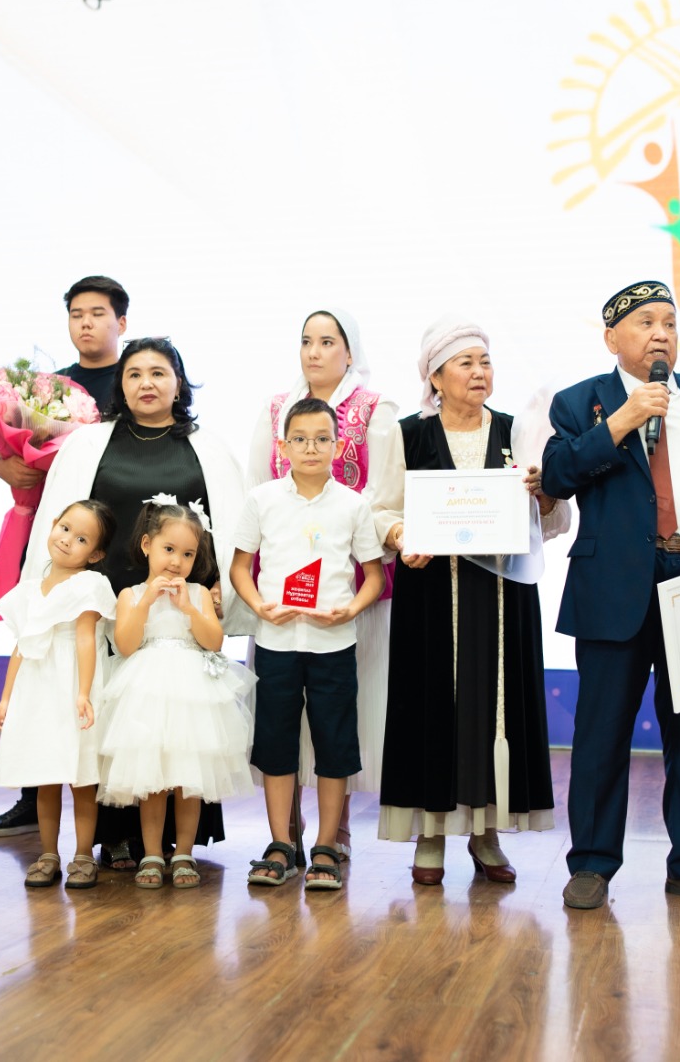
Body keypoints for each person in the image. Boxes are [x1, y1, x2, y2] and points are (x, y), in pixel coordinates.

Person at [541, 280, 680, 911]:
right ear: (612, 338)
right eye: (645, 323)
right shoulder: (580, 402)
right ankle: (592, 864)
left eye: (669, 322)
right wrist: (623, 420)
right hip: (613, 587)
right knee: (601, 734)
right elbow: (556, 476)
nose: (661, 333)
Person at [23, 336, 253, 867]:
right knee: (118, 715)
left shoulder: (208, 447)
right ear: (120, 385)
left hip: (181, 603)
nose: (146, 383)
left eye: (158, 373)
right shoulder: (88, 443)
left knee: (177, 719)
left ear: (179, 383)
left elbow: (230, 526)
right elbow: (59, 522)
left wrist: (220, 585)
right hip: (105, 600)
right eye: (134, 374)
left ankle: (178, 843)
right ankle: (117, 835)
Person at [375, 317, 568, 886]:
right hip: (429, 592)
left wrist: (544, 493)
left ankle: (487, 833)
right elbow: (380, 509)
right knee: (431, 706)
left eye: (485, 361)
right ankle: (431, 834)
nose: (480, 372)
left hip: (502, 594)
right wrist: (401, 536)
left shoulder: (516, 433)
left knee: (496, 709)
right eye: (466, 363)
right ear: (435, 377)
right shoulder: (408, 434)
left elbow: (554, 518)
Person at [244, 308, 401, 860]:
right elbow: (256, 490)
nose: (314, 351)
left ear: (350, 350)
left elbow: (384, 495)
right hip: (280, 596)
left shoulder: (377, 409)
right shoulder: (275, 409)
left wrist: (352, 539)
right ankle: (284, 832)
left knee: (340, 719)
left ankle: (336, 833)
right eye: (306, 340)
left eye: (328, 341)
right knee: (279, 719)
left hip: (346, 589)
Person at [0, 275, 129, 839]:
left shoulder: (132, 379)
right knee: (39, 651)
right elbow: (13, 450)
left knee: (94, 659)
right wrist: (5, 464)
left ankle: (109, 808)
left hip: (109, 530)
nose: (86, 323)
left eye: (98, 313)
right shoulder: (50, 389)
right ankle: (31, 796)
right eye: (76, 314)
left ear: (121, 321)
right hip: (56, 528)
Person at [232, 398, 386, 890]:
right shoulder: (262, 500)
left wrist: (351, 609)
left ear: (338, 447)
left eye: (322, 439)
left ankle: (325, 848)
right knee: (275, 744)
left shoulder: (354, 505)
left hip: (333, 643)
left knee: (334, 743)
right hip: (275, 641)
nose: (311, 448)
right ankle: (281, 845)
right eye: (299, 439)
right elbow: (240, 568)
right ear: (283, 447)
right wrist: (259, 607)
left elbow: (374, 577)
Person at [98, 500, 255, 889]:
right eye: (169, 549)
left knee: (188, 780)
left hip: (191, 696)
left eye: (187, 554)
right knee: (152, 781)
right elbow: (126, 645)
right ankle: (152, 853)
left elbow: (213, 641)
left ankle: (183, 852)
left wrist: (189, 609)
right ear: (147, 545)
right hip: (146, 693)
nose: (177, 561)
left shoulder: (198, 593)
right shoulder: (130, 595)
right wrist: (147, 601)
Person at [0, 499, 118, 890]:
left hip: (71, 684)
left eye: (81, 539)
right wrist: (7, 697)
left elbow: (85, 639)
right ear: (52, 525)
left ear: (95, 554)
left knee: (81, 778)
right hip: (37, 688)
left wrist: (83, 693)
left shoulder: (90, 585)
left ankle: (83, 855)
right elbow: (21, 646)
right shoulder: (30, 590)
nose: (67, 540)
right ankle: (48, 854)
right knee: (44, 775)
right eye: (65, 528)